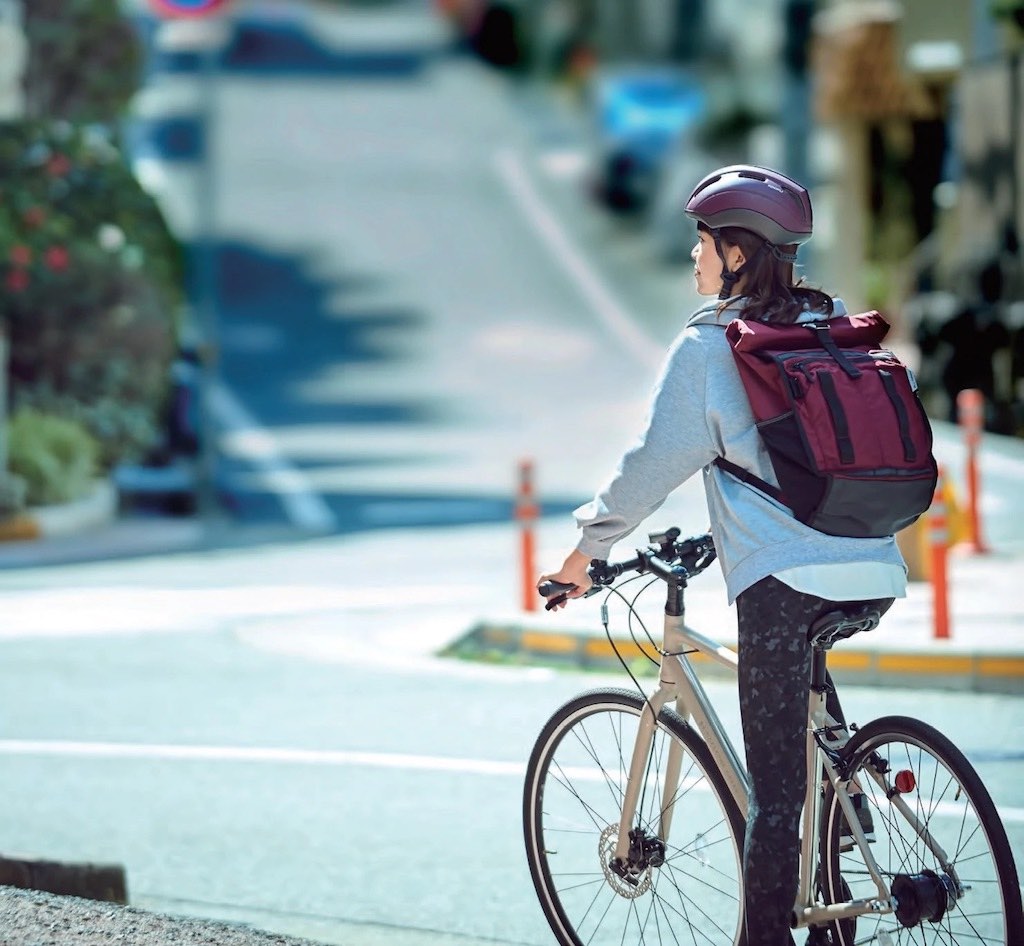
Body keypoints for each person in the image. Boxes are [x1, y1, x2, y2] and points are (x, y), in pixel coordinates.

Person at [538, 164, 907, 946]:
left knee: (773, 801)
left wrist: (584, 554)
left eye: (702, 244)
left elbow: (649, 469)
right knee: (808, 711)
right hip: (875, 562)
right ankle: (845, 838)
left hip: (785, 580)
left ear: (736, 253)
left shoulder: (712, 349)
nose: (694, 260)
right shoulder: (830, 323)